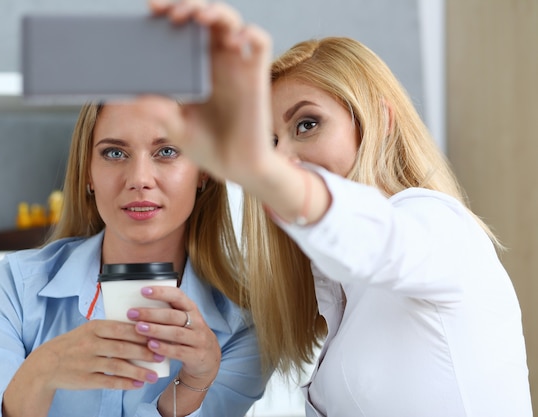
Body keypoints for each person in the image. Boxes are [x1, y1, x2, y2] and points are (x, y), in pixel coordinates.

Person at [151, 1, 533, 416]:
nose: (285, 157)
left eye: (307, 124)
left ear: (378, 121)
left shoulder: (439, 228)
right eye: (272, 141)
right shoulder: (337, 295)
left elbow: (377, 237)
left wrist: (259, 165)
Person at [0, 97, 269, 417]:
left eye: (167, 151)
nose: (139, 179)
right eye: (115, 153)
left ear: (203, 171)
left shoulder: (245, 326)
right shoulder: (9, 290)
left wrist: (194, 384)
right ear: (88, 173)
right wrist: (43, 370)